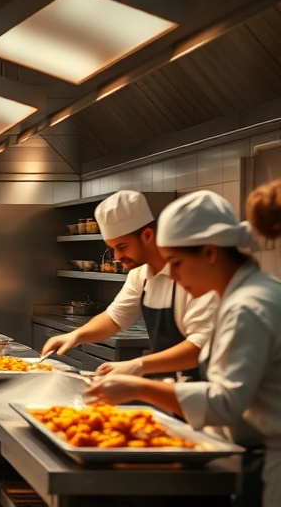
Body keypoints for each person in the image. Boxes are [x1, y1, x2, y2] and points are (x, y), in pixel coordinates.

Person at [86, 190, 281, 506]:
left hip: (268, 469)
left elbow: (225, 402)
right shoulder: (247, 294)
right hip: (243, 451)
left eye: (176, 263)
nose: (172, 275)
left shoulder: (248, 306)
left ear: (209, 252)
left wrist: (138, 384)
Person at [41, 190, 216, 379]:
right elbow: (116, 317)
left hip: (204, 386)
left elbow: (200, 346)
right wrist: (75, 336)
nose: (117, 257)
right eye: (112, 248)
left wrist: (137, 365)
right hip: (168, 384)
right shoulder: (140, 273)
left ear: (147, 235)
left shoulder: (194, 275)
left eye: (122, 247)